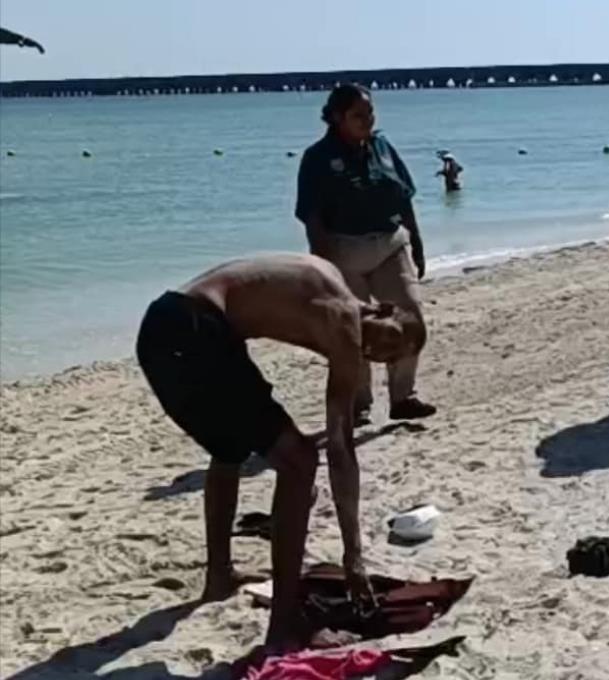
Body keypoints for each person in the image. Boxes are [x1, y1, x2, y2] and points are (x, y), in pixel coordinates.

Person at [135, 253, 424, 650]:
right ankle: (285, 624)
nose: (377, 352)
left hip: (161, 324)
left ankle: (219, 576)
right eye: (392, 337)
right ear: (380, 308)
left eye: (389, 359)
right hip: (196, 330)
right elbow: (340, 450)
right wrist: (353, 556)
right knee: (300, 460)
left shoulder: (332, 284)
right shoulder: (345, 322)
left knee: (228, 446)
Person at [296, 83, 436, 423]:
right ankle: (359, 403)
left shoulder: (383, 148)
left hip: (390, 244)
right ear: (336, 117)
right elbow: (312, 216)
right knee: (353, 330)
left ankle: (404, 397)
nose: (367, 120)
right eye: (359, 114)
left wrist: (416, 242)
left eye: (370, 112)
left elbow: (404, 197)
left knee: (410, 317)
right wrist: (321, 267)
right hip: (343, 251)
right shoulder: (317, 158)